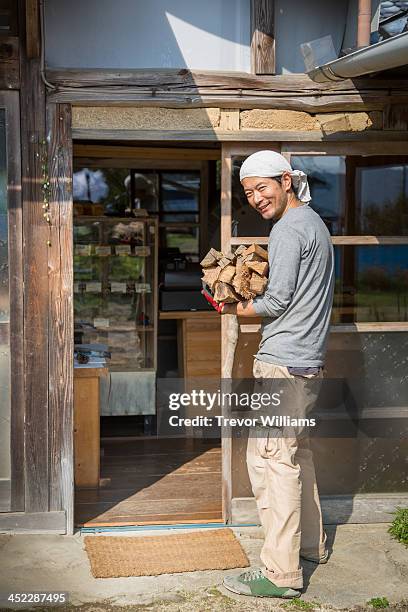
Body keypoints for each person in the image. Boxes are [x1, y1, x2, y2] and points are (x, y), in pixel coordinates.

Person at [219, 150, 335, 599]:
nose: (255, 198)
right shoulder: (316, 224)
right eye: (248, 192)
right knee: (295, 455)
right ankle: (310, 547)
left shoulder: (289, 229)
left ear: (286, 180)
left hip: (283, 362)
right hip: (307, 361)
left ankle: (280, 574)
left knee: (271, 462)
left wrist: (230, 305)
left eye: (261, 188)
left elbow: (278, 302)